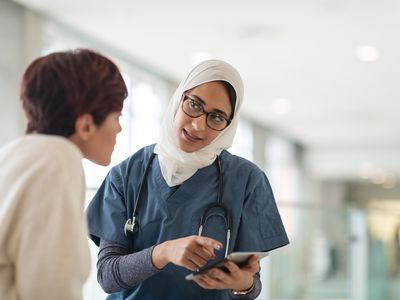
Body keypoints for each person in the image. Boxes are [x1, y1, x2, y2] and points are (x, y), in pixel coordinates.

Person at [87, 59, 289, 300]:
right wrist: (163, 252)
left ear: (228, 124)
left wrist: (242, 284)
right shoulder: (126, 176)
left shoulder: (247, 181)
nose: (198, 125)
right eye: (194, 104)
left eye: (216, 117)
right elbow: (107, 277)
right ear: (179, 98)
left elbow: (251, 286)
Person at [0, 49, 128, 300]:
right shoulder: (58, 162)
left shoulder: (13, 153)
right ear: (86, 125)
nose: (120, 128)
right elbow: (49, 288)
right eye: (117, 116)